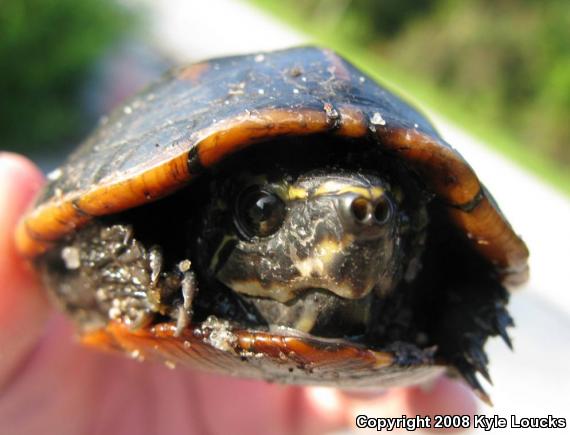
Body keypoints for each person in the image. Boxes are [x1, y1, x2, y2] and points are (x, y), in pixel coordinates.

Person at [0, 152, 476, 434]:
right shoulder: (143, 236)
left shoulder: (428, 283)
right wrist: (136, 276)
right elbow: (83, 239)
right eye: (264, 213)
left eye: (388, 220)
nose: (359, 221)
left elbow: (476, 277)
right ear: (207, 223)